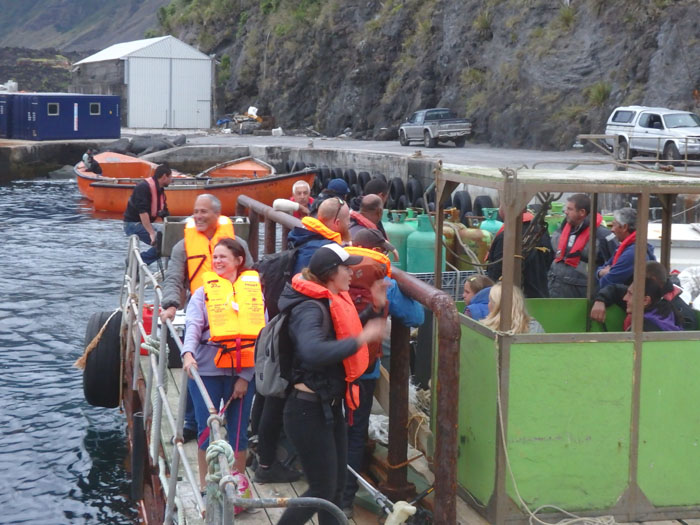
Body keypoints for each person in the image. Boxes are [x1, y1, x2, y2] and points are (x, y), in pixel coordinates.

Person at [276, 244, 387, 525]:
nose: (352, 272)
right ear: (329, 274)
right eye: (345, 268)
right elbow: (313, 351)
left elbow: (344, 331)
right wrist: (361, 340)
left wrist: (375, 309)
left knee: (335, 487)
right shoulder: (310, 309)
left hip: (327, 408)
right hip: (306, 412)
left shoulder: (332, 299)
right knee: (323, 488)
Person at [340, 229, 424, 516]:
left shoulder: (333, 269)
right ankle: (344, 499)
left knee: (329, 427)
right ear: (380, 251)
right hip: (363, 368)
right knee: (354, 432)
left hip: (329, 364)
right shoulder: (383, 277)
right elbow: (416, 317)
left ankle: (323, 488)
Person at [160, 194, 251, 442]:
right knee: (195, 366)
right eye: (195, 212)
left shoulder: (237, 244)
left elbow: (251, 276)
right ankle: (192, 422)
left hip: (234, 312)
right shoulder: (183, 246)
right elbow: (173, 278)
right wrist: (170, 305)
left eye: (203, 212)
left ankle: (237, 425)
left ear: (218, 215)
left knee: (236, 364)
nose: (197, 217)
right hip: (201, 310)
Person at [181, 238, 263, 491]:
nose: (216, 261)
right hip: (206, 371)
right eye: (214, 257)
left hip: (241, 374)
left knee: (238, 434)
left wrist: (246, 377)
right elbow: (193, 325)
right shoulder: (202, 293)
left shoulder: (253, 294)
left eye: (222, 257)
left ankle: (237, 488)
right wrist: (187, 353)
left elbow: (262, 338)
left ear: (238, 261)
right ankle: (207, 488)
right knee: (207, 433)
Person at [591, 261, 695, 331]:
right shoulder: (642, 297)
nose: (625, 298)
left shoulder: (679, 310)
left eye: (639, 277)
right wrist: (600, 300)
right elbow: (615, 289)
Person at [548, 194, 618, 298]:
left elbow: (615, 266)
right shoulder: (561, 230)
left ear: (582, 212)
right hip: (556, 289)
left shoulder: (602, 236)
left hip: (582, 296)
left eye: (570, 209)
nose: (565, 212)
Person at [485, 205, 552, 298]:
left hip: (513, 299)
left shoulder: (506, 237)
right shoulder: (541, 231)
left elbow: (496, 272)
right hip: (540, 295)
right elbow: (549, 261)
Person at [123, 163, 173, 265]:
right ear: (164, 177)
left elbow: (166, 214)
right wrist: (151, 233)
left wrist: (171, 229)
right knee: (163, 244)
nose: (171, 180)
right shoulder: (144, 187)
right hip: (132, 224)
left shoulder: (160, 192)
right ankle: (136, 262)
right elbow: (143, 212)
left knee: (170, 240)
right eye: (170, 177)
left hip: (144, 224)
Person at [288, 197, 351, 273]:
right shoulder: (330, 251)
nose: (349, 223)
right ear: (337, 223)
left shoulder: (302, 234)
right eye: (348, 219)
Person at [596, 208, 655, 288]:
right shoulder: (627, 248)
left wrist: (603, 273)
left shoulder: (632, 253)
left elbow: (607, 282)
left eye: (614, 225)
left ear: (624, 227)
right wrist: (601, 272)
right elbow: (603, 267)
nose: (612, 230)